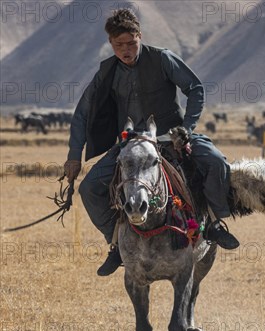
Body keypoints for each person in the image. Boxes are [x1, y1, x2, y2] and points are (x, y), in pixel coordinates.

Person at [63, 9, 240, 277]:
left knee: (215, 161)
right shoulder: (106, 72)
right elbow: (82, 114)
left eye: (131, 43)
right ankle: (116, 245)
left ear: (139, 37)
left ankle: (215, 225)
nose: (126, 50)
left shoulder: (162, 58)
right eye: (119, 45)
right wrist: (74, 156)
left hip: (171, 139)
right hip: (130, 144)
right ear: (110, 43)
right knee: (89, 189)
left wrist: (187, 128)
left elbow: (195, 88)